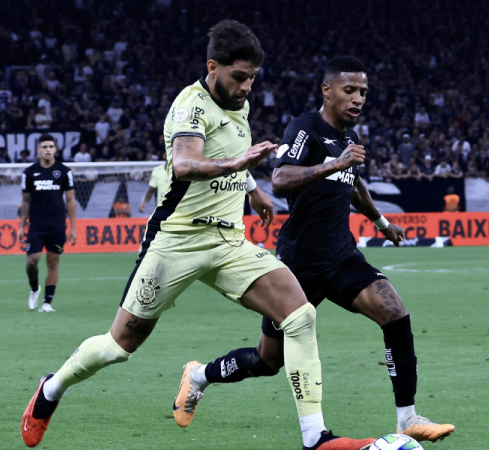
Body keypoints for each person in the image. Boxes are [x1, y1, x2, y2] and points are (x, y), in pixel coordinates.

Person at [20, 21, 373, 450]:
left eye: (252, 79)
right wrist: (238, 164)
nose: (246, 87)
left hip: (228, 242)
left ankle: (315, 437)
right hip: (177, 240)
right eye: (239, 77)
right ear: (212, 67)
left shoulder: (238, 105)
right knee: (120, 345)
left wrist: (254, 189)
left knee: (300, 315)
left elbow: (226, 156)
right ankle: (51, 389)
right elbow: (186, 165)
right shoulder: (190, 107)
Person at [192, 56, 455, 444]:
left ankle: (408, 417)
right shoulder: (306, 128)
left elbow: (354, 186)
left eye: (363, 92)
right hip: (299, 266)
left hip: (342, 257)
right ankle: (199, 375)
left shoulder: (347, 140)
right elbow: (280, 179)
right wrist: (334, 163)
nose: (358, 98)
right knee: (268, 361)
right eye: (350, 90)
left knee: (396, 315)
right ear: (327, 90)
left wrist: (382, 222)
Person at [18, 134, 77, 313]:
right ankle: (35, 288)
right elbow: (26, 201)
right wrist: (21, 225)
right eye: (44, 146)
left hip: (58, 225)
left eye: (51, 146)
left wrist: (73, 227)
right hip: (36, 224)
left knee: (53, 263)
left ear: (55, 149)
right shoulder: (29, 173)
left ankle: (47, 303)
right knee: (32, 260)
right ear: (39, 150)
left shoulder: (65, 172)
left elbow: (71, 200)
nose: (48, 149)